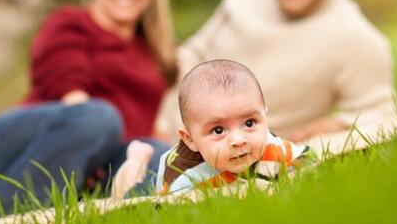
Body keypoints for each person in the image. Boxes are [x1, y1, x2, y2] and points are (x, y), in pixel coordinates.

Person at [0, 0, 178, 223]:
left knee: (159, 155)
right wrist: (98, 143)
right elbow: (71, 91)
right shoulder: (70, 23)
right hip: (21, 151)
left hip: (92, 170)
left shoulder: (151, 52)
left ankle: (90, 219)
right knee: (99, 118)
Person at [156, 0, 396, 144]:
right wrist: (159, 120)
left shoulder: (356, 37)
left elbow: (382, 112)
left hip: (222, 152)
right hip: (161, 122)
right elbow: (189, 55)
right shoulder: (241, 1)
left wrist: (340, 124)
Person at [112, 60, 314, 199]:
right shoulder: (185, 179)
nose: (238, 140)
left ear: (265, 117)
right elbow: (166, 214)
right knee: (130, 195)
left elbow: (306, 161)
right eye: (218, 130)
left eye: (250, 123)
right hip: (161, 178)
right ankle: (134, 164)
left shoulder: (272, 147)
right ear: (190, 139)